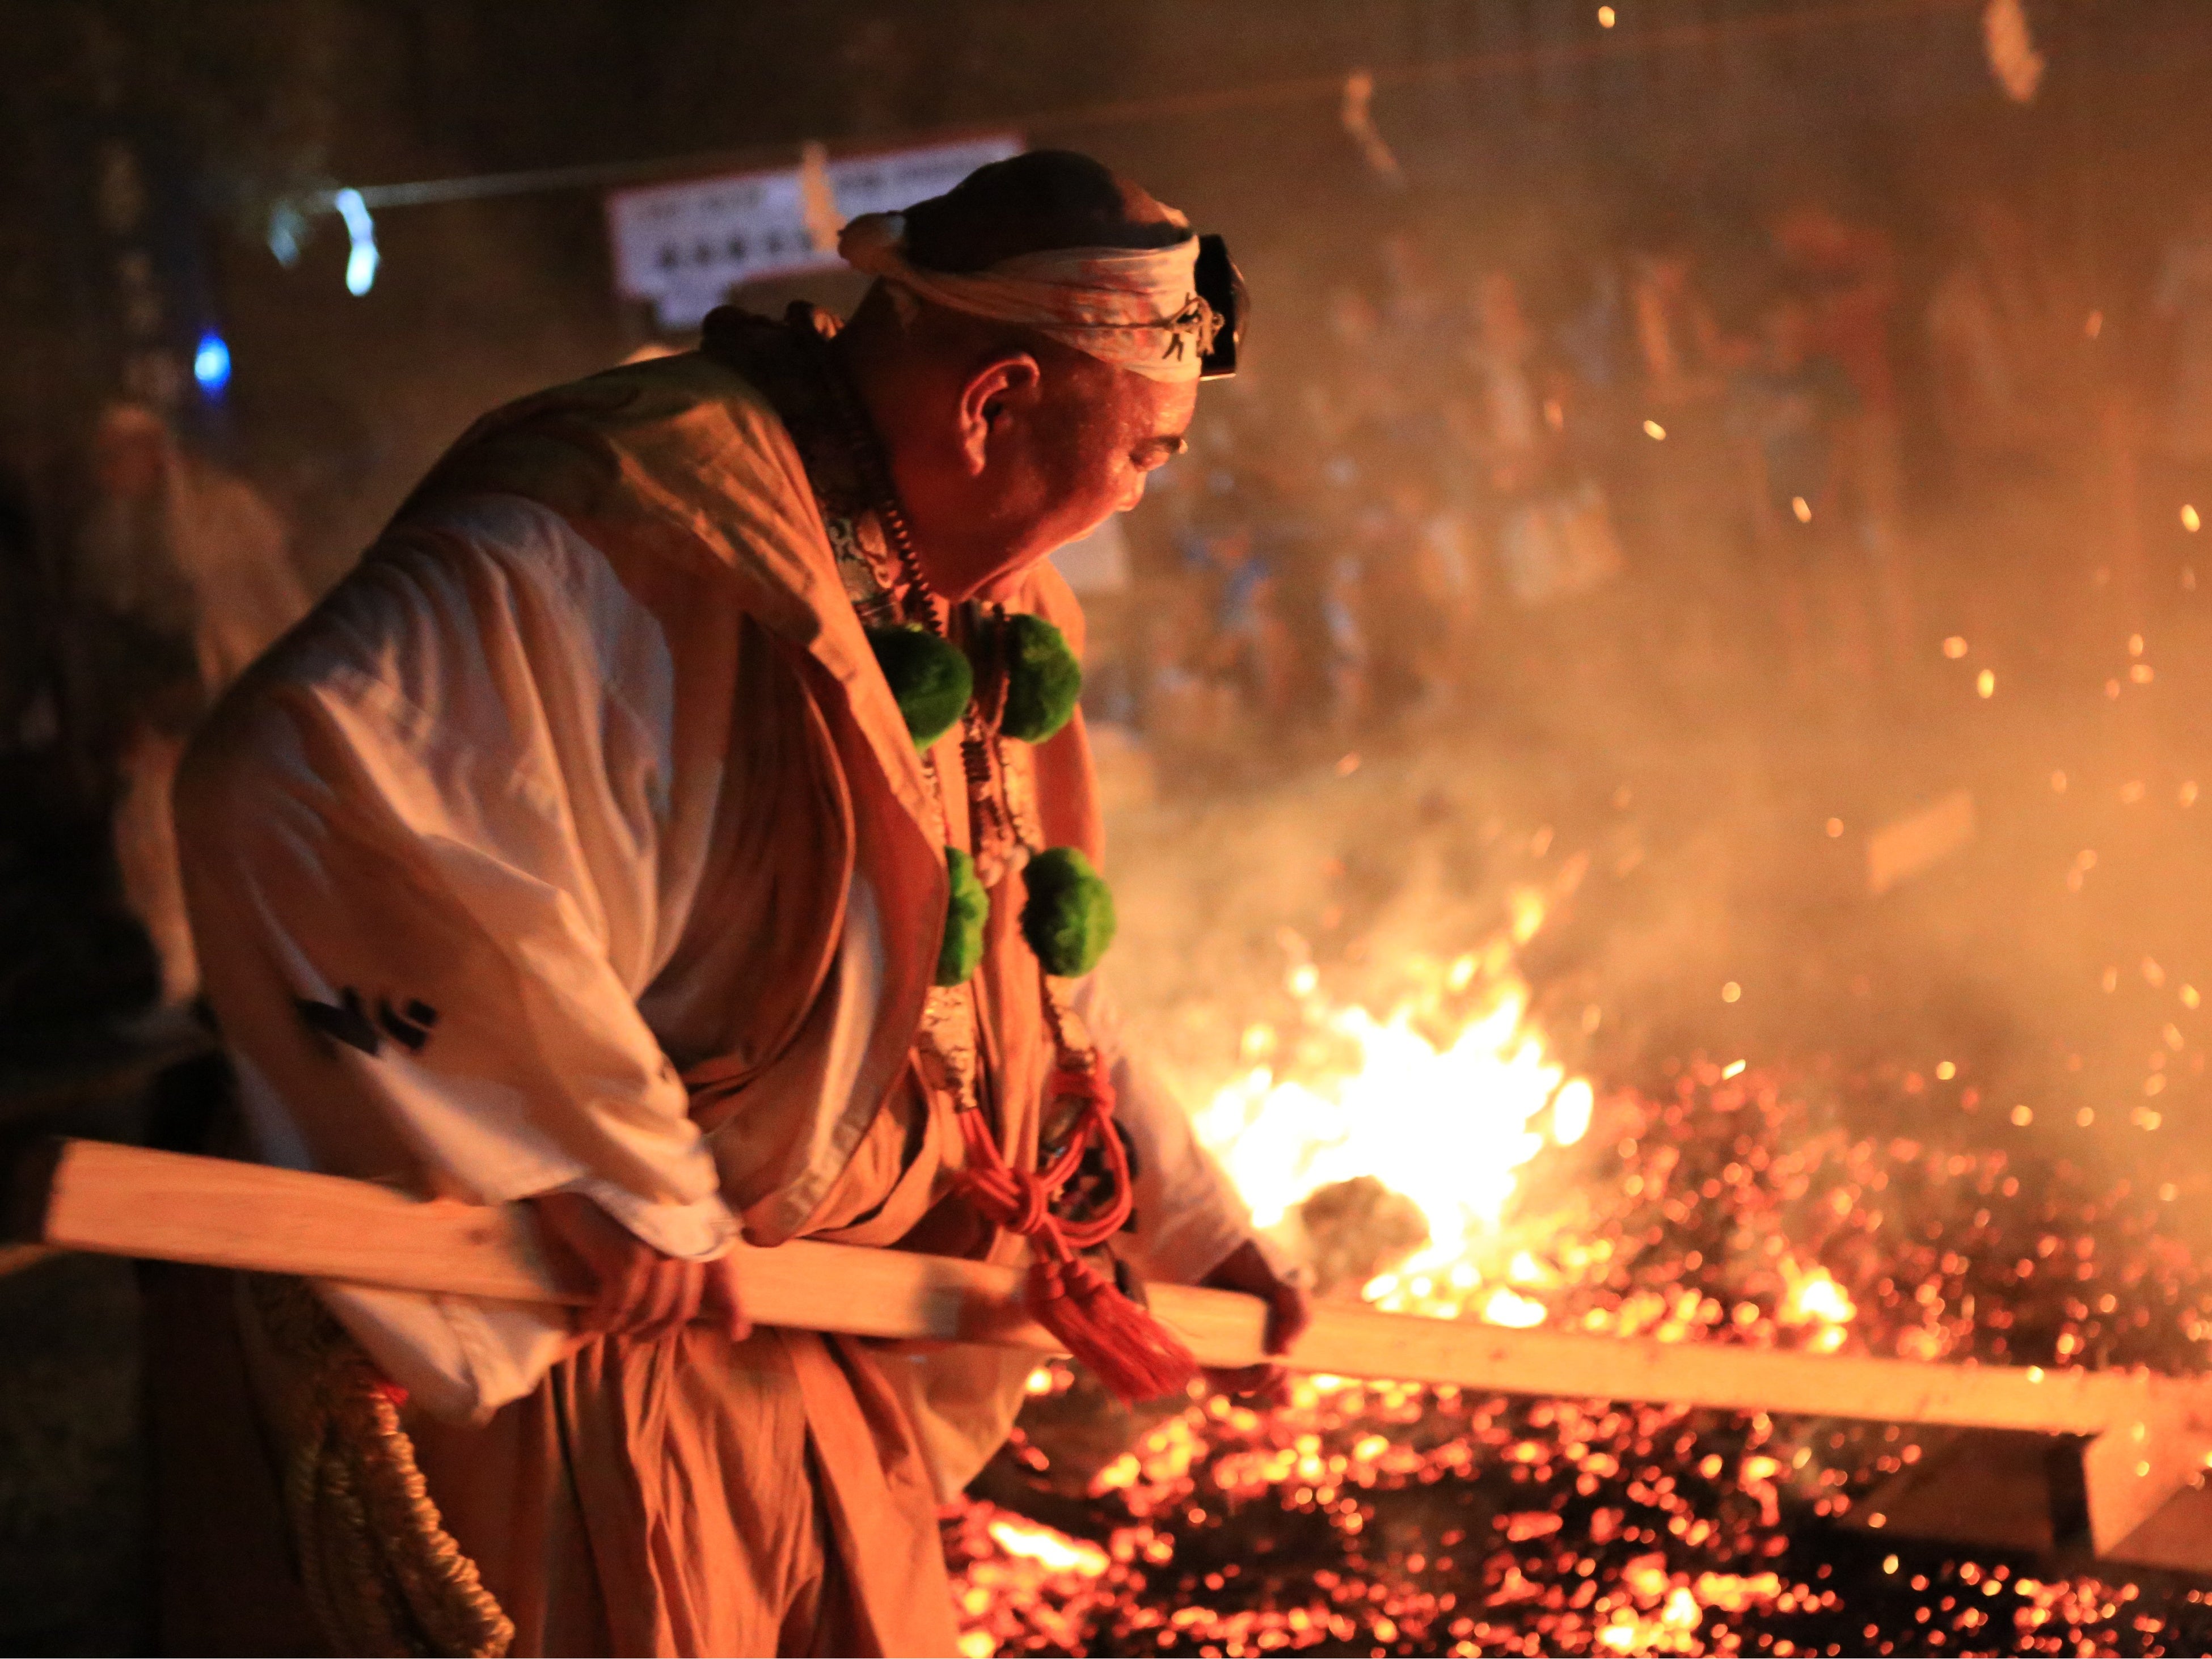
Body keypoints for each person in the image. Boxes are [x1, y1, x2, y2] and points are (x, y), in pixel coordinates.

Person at [169, 150, 1308, 1657]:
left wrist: (1184, 1220)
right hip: (614, 1360)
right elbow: (296, 779)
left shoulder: (987, 597)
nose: (1142, 492)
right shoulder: (629, 511)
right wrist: (607, 1166)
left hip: (833, 1349)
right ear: (994, 406)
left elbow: (1023, 982)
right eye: (1149, 450)